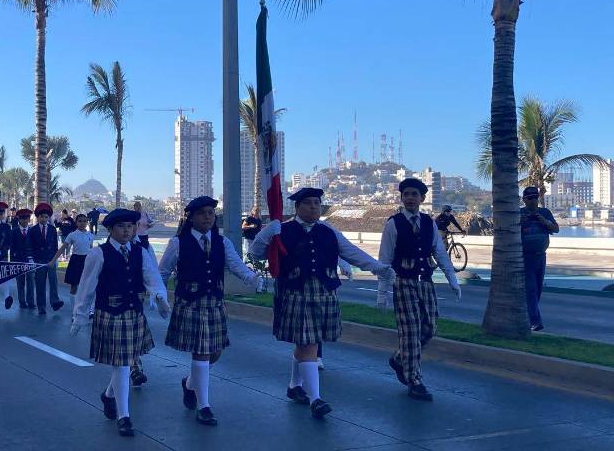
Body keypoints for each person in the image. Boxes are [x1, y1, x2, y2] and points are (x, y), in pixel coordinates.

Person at [251, 187, 389, 418]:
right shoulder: (281, 230)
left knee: (307, 343)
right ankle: (315, 398)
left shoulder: (328, 230)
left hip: (324, 291)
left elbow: (351, 252)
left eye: (317, 203)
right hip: (295, 291)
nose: (314, 207)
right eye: (308, 203)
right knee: (309, 343)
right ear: (297, 207)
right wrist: (266, 234)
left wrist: (377, 267)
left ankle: (295, 386)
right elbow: (256, 254)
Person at [70, 208, 171, 437]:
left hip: (133, 313)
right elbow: (86, 286)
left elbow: (152, 277)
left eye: (130, 226)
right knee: (122, 365)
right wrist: (80, 315)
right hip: (110, 314)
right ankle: (124, 416)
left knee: (123, 364)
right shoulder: (99, 254)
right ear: (110, 229)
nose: (127, 231)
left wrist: (160, 296)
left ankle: (108, 396)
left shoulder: (140, 251)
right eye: (121, 226)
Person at [159, 196, 258, 426]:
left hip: (214, 302)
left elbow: (235, 265)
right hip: (190, 302)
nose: (207, 217)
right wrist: (159, 296)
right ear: (191, 217)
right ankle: (204, 406)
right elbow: (163, 272)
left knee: (216, 351)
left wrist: (251, 277)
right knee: (201, 352)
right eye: (202, 213)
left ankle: (189, 383)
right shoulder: (178, 243)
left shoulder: (222, 242)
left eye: (211, 213)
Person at [377, 178, 462, 402]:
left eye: (414, 194)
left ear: (422, 198)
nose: (409, 198)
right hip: (403, 282)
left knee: (429, 327)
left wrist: (452, 279)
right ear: (401, 198)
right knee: (411, 332)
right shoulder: (393, 224)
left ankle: (399, 358)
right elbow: (384, 259)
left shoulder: (428, 223)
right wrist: (382, 292)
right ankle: (414, 380)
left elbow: (439, 252)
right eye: (406, 194)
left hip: (425, 281)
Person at [520, 186, 559, 332]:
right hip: (526, 257)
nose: (533, 201)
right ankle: (535, 321)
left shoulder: (545, 212)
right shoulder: (519, 213)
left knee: (537, 289)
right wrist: (519, 222)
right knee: (531, 289)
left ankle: (529, 316)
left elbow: (556, 229)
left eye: (535, 198)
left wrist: (544, 221)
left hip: (541, 256)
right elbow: (508, 231)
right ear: (524, 200)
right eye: (530, 198)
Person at [128, 231, 160, 388]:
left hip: (137, 297)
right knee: (126, 337)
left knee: (133, 335)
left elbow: (153, 270)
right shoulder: (108, 248)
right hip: (116, 301)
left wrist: (156, 294)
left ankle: (134, 368)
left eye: (131, 225)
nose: (127, 229)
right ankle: (135, 369)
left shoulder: (144, 247)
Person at [50, 213, 93, 316]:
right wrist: (53, 260)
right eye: (80, 221)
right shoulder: (72, 235)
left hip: (87, 261)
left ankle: (87, 310)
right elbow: (62, 248)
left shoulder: (91, 235)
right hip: (76, 260)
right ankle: (75, 310)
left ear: (87, 222)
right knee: (74, 286)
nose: (82, 223)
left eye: (84, 221)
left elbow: (91, 249)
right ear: (76, 222)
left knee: (88, 286)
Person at [28, 203, 64, 315]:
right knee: (40, 284)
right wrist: (31, 259)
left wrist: (55, 259)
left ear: (48, 218)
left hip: (51, 259)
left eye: (46, 217)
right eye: (41, 216)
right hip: (39, 261)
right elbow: (29, 245)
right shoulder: (33, 230)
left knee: (53, 281)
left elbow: (55, 245)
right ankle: (41, 306)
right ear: (37, 217)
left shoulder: (52, 229)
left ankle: (55, 302)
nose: (44, 219)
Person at [10, 209, 35, 309]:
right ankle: (22, 302)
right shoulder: (14, 231)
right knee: (20, 282)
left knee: (30, 281)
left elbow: (35, 247)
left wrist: (33, 259)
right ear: (19, 220)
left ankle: (31, 302)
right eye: (22, 218)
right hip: (18, 260)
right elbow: (12, 248)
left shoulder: (32, 231)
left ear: (29, 219)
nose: (24, 221)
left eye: (26, 218)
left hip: (30, 260)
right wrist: (12, 263)